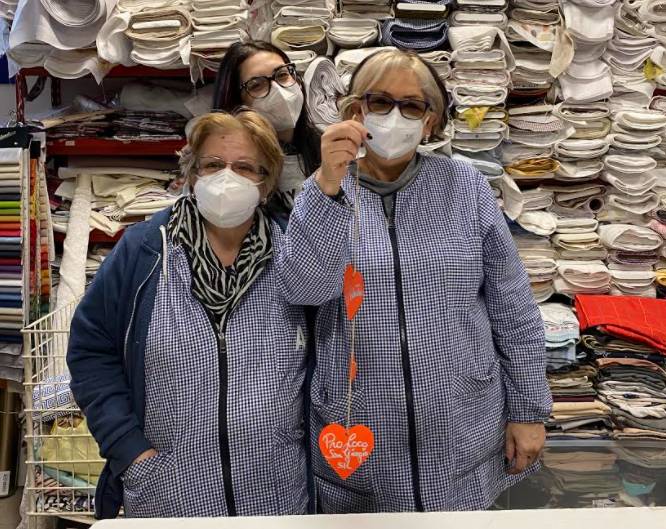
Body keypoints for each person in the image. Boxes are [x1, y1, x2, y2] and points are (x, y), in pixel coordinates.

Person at [276, 49, 552, 512]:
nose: (395, 117)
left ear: (430, 123)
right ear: (355, 111)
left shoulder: (466, 187)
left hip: (462, 425)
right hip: (361, 434)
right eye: (380, 102)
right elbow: (302, 289)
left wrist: (528, 411)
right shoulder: (323, 190)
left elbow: (514, 309)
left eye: (412, 105)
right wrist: (327, 183)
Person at [68, 110, 309, 519]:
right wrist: (130, 452)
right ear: (192, 175)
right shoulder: (144, 251)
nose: (226, 178)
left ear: (266, 183)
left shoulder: (296, 256)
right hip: (169, 493)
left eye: (245, 167)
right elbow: (91, 352)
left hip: (278, 493)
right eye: (213, 165)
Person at [213, 41, 321, 221]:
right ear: (237, 102)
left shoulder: (322, 147)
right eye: (256, 85)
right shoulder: (231, 168)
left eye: (282, 75)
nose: (279, 91)